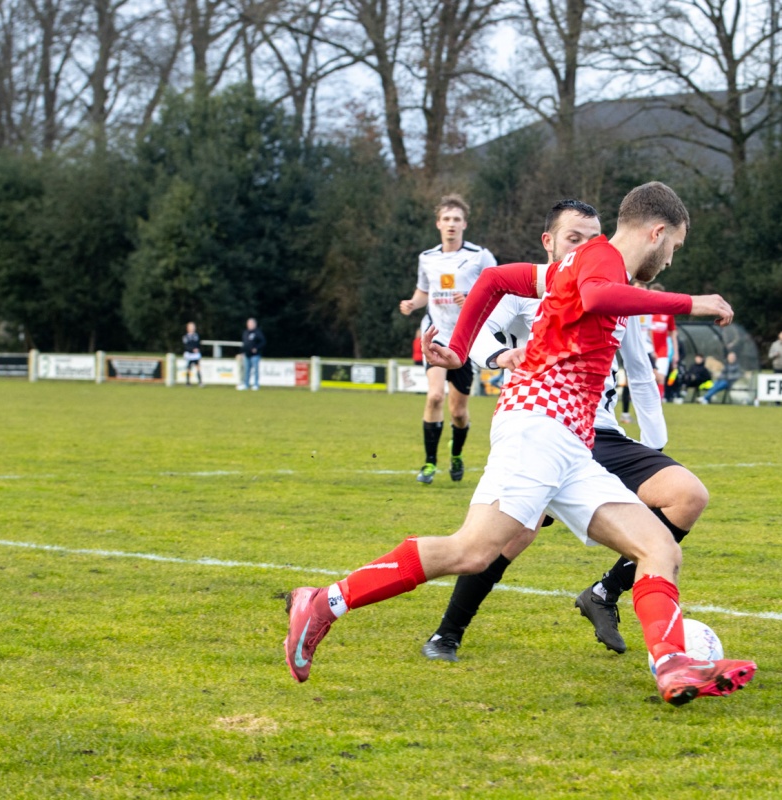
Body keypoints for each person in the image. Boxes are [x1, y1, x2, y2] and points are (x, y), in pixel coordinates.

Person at [285, 182, 756, 706]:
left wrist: (459, 348)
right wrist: (691, 303)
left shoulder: (576, 265)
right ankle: (323, 602)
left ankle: (672, 666)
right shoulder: (599, 258)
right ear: (658, 232)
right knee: (472, 550)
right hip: (538, 424)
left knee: (658, 547)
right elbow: (597, 297)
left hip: (570, 441)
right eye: (675, 248)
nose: (670, 260)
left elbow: (493, 279)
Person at [420, 199, 709, 662]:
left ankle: (604, 593)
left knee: (686, 495)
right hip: (543, 424)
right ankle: (447, 633)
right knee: (510, 535)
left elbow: (640, 373)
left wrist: (653, 445)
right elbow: (480, 328)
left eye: (593, 238)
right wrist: (499, 356)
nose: (587, 247)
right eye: (574, 238)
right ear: (549, 242)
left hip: (602, 433)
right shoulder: (530, 290)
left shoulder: (616, 288)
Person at [399, 195, 497, 484]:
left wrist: (472, 299)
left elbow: (499, 292)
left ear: (464, 224)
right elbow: (423, 292)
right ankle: (429, 463)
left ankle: (456, 454)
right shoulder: (427, 258)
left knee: (458, 413)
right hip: (435, 335)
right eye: (446, 219)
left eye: (456, 219)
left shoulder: (480, 256)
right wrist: (412, 303)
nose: (451, 224)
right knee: (434, 397)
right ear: (438, 224)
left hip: (466, 340)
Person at [648, 285, 679, 400]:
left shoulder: (667, 313)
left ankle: (658, 403)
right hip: (647, 350)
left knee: (660, 379)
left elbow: (673, 334)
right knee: (649, 378)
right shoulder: (645, 312)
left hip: (662, 351)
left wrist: (676, 353)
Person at [239, 318, 265, 391]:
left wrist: (256, 348)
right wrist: (242, 352)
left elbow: (263, 342)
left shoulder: (258, 332)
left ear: (255, 324)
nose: (249, 325)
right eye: (248, 323)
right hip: (247, 354)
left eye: (251, 323)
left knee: (255, 370)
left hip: (255, 355)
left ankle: (256, 385)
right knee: (246, 370)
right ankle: (246, 384)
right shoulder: (245, 332)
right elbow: (244, 344)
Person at [182, 322, 203, 387]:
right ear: (188, 328)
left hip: (195, 354)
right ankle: (188, 382)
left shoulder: (196, 336)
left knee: (198, 367)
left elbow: (198, 344)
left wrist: (197, 349)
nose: (193, 328)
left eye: (193, 327)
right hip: (189, 354)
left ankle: (200, 382)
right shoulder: (186, 337)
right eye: (191, 327)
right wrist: (192, 349)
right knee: (188, 368)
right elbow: (186, 346)